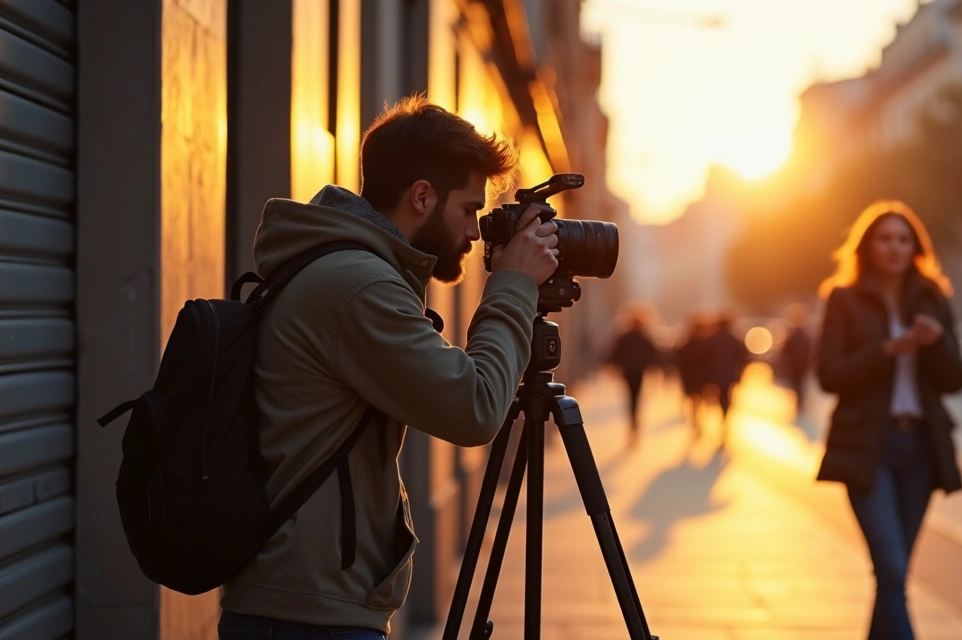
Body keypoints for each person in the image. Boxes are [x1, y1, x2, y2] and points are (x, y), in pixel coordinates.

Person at [217, 97, 560, 639]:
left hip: (304, 603)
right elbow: (475, 408)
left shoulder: (345, 270)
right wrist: (513, 286)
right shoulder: (360, 287)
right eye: (469, 210)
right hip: (308, 617)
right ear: (422, 196)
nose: (475, 234)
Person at [816, 200, 962, 640]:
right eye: (885, 239)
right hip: (868, 448)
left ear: (916, 247)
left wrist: (935, 344)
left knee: (892, 576)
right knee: (892, 566)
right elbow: (829, 375)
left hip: (920, 447)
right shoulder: (843, 298)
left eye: (904, 239)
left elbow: (955, 379)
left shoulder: (933, 298)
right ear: (867, 246)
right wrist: (887, 350)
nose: (895, 248)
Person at [607, 304, 661, 448]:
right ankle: (635, 425)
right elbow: (654, 354)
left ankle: (632, 425)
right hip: (639, 372)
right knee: (636, 397)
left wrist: (614, 367)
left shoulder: (624, 336)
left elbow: (614, 353)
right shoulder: (644, 336)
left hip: (628, 372)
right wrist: (655, 370)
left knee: (631, 398)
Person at [706, 310, 749, 450]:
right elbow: (745, 357)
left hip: (715, 375)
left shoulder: (711, 339)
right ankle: (725, 422)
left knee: (720, 400)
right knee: (727, 399)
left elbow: (706, 359)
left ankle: (722, 422)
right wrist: (740, 373)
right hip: (730, 376)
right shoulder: (735, 339)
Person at [779, 302, 815, 417]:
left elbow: (784, 352)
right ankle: (800, 403)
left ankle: (799, 403)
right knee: (800, 385)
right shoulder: (806, 336)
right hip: (802, 366)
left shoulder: (792, 335)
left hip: (795, 366)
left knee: (797, 386)